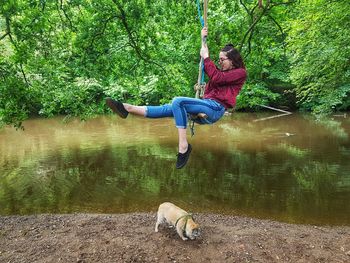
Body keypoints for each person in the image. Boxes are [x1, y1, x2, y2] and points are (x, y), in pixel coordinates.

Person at [106, 27, 247, 169]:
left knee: (178, 101)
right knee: (169, 108)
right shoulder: (221, 72)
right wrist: (203, 40)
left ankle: (183, 146)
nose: (220, 62)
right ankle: (127, 108)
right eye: (219, 59)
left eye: (222, 60)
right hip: (206, 105)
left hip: (214, 109)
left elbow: (216, 77)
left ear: (233, 61)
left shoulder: (240, 72)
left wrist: (206, 57)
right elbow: (212, 72)